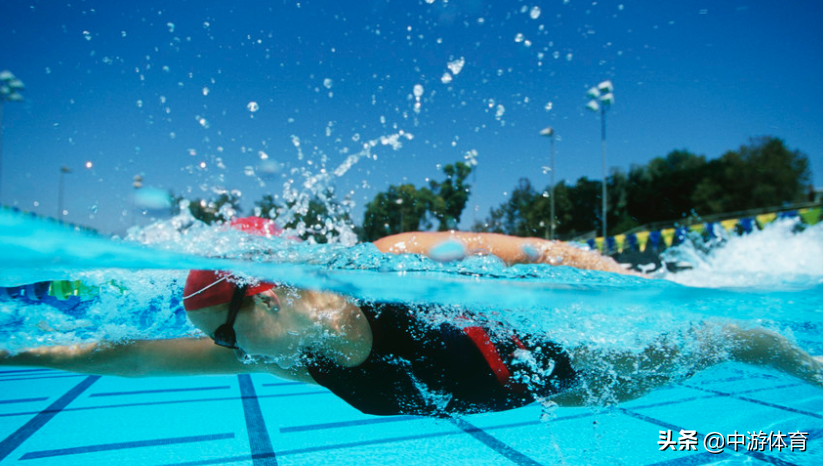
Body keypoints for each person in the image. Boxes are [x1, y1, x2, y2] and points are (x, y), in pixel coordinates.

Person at [1, 217, 821, 417]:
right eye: (218, 341)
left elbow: (521, 252)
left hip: (570, 365)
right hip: (547, 396)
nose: (223, 351)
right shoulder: (287, 352)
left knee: (721, 337)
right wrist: (10, 357)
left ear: (269, 293)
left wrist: (615, 272)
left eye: (223, 332)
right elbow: (135, 357)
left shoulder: (385, 264)